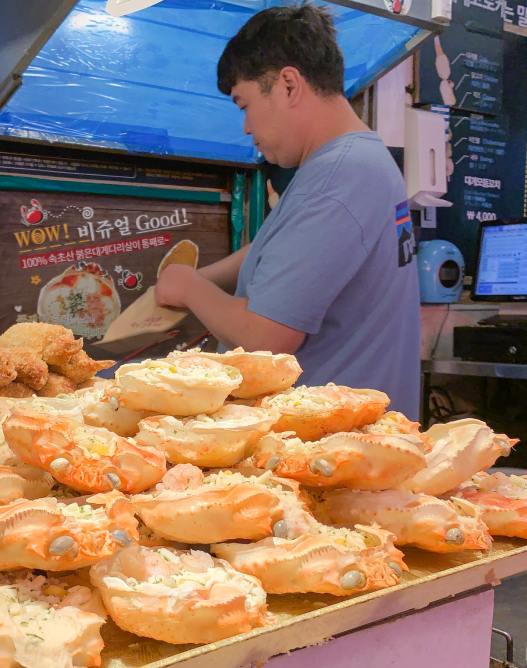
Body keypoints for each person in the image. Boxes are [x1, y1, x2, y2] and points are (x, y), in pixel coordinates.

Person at [154, 3, 421, 417]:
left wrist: (190, 287)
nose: (245, 127)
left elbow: (265, 338)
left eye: (244, 105)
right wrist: (204, 278)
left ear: (289, 85)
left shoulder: (339, 178)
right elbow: (280, 250)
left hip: (330, 449)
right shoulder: (349, 163)